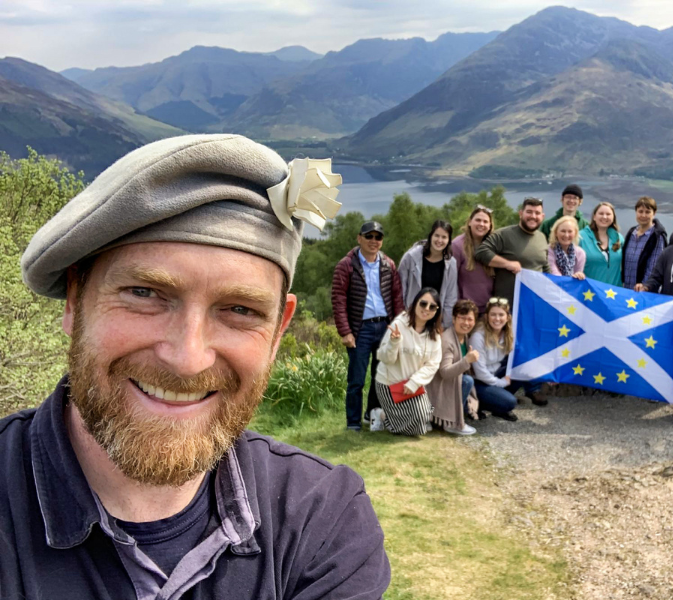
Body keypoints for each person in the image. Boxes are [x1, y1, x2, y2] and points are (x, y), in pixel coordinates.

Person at [4, 134, 390, 598]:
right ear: (75, 301)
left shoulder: (323, 520)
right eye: (144, 293)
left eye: (240, 310)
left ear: (278, 331)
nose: (187, 360)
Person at [333, 220, 405, 432]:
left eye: (378, 237)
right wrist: (345, 331)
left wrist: (398, 325)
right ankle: (353, 423)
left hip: (384, 326)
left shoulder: (388, 264)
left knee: (380, 375)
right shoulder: (346, 265)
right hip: (360, 329)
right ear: (359, 238)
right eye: (369, 236)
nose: (373, 241)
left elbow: (396, 297)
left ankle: (371, 415)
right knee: (356, 379)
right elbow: (338, 299)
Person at [370, 287, 443, 436]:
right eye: (423, 303)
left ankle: (386, 417)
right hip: (389, 383)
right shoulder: (400, 323)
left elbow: (433, 364)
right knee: (415, 426)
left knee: (424, 418)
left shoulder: (434, 334)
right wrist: (394, 342)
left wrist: (414, 382)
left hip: (412, 386)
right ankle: (381, 415)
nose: (427, 309)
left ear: (436, 311)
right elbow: (385, 358)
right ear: (415, 303)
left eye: (432, 306)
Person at [470, 297, 547, 416]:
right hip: (479, 382)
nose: (497, 319)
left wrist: (546, 373)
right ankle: (481, 403)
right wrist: (501, 383)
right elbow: (480, 373)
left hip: (495, 374)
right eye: (493, 315)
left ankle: (496, 402)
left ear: (507, 317)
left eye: (501, 315)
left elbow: (525, 355)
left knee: (522, 365)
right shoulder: (478, 336)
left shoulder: (508, 333)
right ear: (486, 317)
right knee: (510, 402)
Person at [475, 197, 550, 303]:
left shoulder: (542, 237)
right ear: (520, 213)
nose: (533, 216)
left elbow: (545, 267)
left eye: (537, 213)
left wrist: (570, 281)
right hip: (506, 308)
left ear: (542, 217)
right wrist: (506, 264)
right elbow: (481, 252)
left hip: (533, 304)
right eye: (529, 212)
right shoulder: (503, 234)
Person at [426, 299, 480, 435]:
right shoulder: (448, 340)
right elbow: (444, 372)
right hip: (437, 385)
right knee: (467, 381)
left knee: (467, 379)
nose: (466, 323)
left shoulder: (464, 337)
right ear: (454, 318)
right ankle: (451, 422)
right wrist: (466, 360)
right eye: (462, 318)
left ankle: (452, 417)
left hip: (448, 383)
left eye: (470, 319)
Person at [398, 219, 458, 328]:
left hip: (434, 320)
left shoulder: (451, 264)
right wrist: (403, 317)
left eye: (444, 237)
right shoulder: (411, 257)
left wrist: (445, 325)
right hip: (410, 318)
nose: (439, 240)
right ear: (430, 236)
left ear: (449, 240)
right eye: (437, 235)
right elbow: (400, 289)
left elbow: (451, 297)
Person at [451, 205, 495, 314]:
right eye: (478, 220)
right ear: (470, 222)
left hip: (488, 310)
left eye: (485, 222)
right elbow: (450, 281)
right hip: (465, 310)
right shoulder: (457, 246)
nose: (481, 224)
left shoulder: (494, 245)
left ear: (490, 226)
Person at [622, 196, 668, 291]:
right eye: (640, 211)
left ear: (654, 213)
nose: (643, 215)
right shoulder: (631, 233)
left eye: (647, 212)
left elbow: (654, 267)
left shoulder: (657, 237)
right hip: (627, 289)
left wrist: (645, 286)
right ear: (636, 212)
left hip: (643, 291)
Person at [579, 202, 623, 285]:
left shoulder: (619, 238)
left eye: (608, 214)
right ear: (594, 217)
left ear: (613, 218)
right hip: (589, 293)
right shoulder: (580, 237)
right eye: (601, 213)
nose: (604, 217)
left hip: (614, 293)